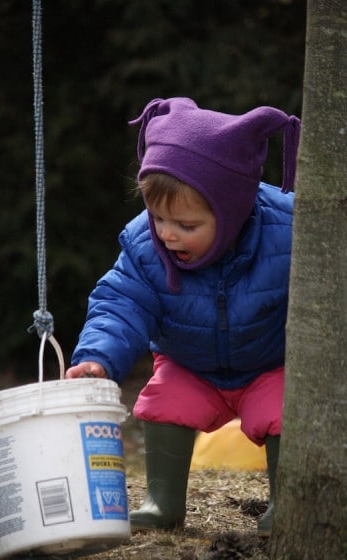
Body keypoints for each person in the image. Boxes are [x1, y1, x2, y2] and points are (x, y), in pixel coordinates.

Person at [65, 97, 301, 537]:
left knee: (288, 407)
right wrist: (99, 357)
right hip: (189, 367)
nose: (168, 234)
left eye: (186, 225)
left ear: (232, 211)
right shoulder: (145, 245)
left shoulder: (287, 231)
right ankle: (163, 502)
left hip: (269, 365)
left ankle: (286, 505)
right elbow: (121, 302)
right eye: (158, 218)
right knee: (164, 401)